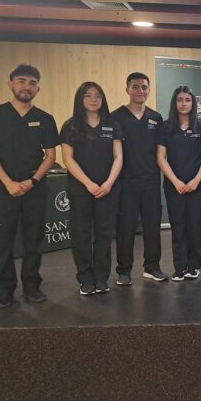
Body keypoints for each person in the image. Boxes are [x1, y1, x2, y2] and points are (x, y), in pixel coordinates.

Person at [0, 64, 59, 309]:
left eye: (32, 83)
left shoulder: (45, 119)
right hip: (3, 189)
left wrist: (32, 181)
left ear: (38, 89)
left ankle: (32, 285)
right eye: (21, 81)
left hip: (35, 189)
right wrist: (8, 182)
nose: (26, 87)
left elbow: (50, 156)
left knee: (33, 241)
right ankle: (4, 289)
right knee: (3, 241)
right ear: (10, 84)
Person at [60, 82, 123, 296]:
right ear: (80, 99)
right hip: (80, 189)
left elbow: (118, 157)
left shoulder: (112, 124)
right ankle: (85, 278)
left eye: (97, 95)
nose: (93, 99)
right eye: (88, 95)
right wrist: (88, 183)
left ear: (103, 99)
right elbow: (68, 159)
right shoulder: (70, 126)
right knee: (81, 234)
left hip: (108, 189)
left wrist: (109, 183)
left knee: (105, 234)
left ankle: (101, 278)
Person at [111, 72, 167, 285]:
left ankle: (152, 267)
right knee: (125, 227)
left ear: (149, 90)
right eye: (135, 87)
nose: (140, 91)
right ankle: (124, 270)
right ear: (127, 89)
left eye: (144, 87)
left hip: (151, 180)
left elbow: (160, 152)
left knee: (152, 226)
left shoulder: (156, 117)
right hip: (126, 182)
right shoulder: (115, 117)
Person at [157, 86, 201, 281]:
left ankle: (194, 266)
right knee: (178, 226)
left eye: (187, 100)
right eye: (179, 100)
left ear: (193, 103)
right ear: (175, 102)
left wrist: (196, 181)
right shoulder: (165, 127)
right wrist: (175, 181)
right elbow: (161, 157)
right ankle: (179, 267)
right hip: (174, 186)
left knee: (195, 226)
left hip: (199, 186)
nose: (183, 103)